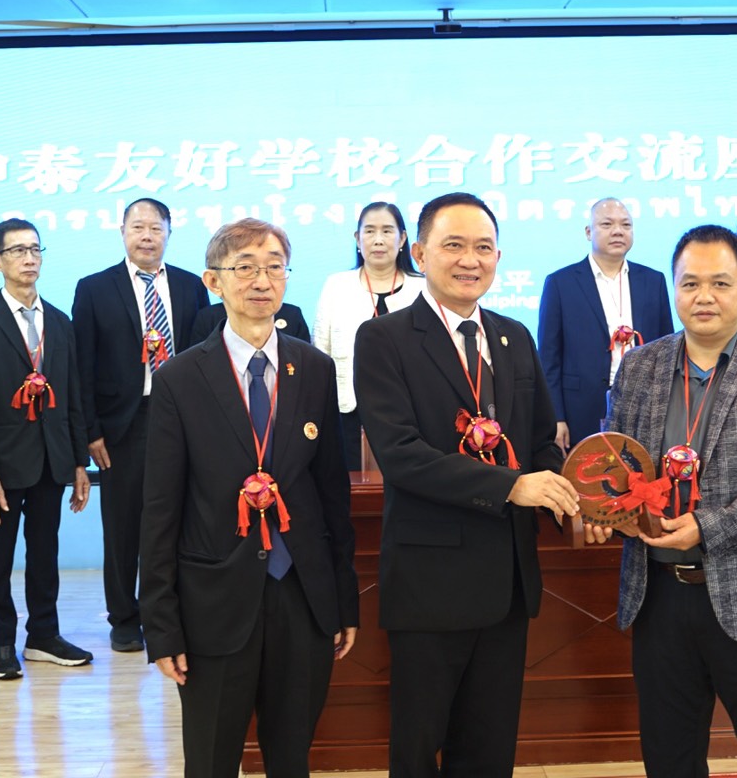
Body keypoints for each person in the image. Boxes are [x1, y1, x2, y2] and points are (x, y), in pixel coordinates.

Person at [353, 191, 577, 778]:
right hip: (431, 582)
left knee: (489, 750)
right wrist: (511, 487)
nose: (470, 260)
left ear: (498, 256)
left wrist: (565, 496)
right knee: (419, 747)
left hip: (507, 581)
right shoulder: (383, 338)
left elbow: (542, 443)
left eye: (483, 247)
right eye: (453, 245)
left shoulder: (514, 336)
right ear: (420, 253)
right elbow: (401, 456)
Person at [588, 224, 737, 778]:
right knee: (669, 759)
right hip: (657, 596)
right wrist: (604, 511)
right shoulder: (640, 367)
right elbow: (616, 464)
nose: (704, 297)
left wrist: (707, 527)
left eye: (720, 282)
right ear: (673, 289)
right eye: (690, 283)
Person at [140, 218, 358, 778]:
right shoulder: (180, 378)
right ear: (214, 281)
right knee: (212, 760)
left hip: (301, 594)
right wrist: (161, 625)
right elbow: (160, 509)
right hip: (213, 601)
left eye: (274, 266)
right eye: (245, 267)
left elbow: (332, 496)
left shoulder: (314, 368)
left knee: (292, 757)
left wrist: (343, 601)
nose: (262, 280)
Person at [72, 198, 208, 654]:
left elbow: (203, 355)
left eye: (156, 227)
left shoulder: (191, 286)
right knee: (123, 525)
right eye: (138, 227)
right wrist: (91, 431)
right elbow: (82, 365)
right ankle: (124, 618)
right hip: (121, 425)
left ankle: (166, 613)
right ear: (122, 232)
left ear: (169, 232)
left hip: (182, 418)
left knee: (177, 520)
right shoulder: (94, 288)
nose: (147, 236)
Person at [0, 218, 94, 680]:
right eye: (17, 251)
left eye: (35, 249)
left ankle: (43, 636)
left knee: (44, 554)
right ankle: (2, 642)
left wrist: (79, 462)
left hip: (52, 459)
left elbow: (73, 396)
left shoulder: (59, 322)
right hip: (1, 465)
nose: (28, 258)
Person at [539, 197, 676, 453]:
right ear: (588, 232)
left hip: (643, 404)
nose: (618, 231)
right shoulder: (561, 283)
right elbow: (549, 358)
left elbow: (668, 349)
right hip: (581, 407)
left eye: (626, 225)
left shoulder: (653, 280)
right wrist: (556, 417)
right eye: (607, 224)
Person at [311, 201, 425, 470]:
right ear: (357, 239)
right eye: (370, 231)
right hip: (348, 409)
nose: (378, 240)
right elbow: (320, 352)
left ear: (402, 239)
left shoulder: (423, 288)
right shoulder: (337, 285)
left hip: (413, 410)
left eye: (387, 231)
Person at [189, 299, 310, 348]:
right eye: (245, 269)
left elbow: (305, 363)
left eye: (274, 267)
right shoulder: (208, 316)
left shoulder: (292, 314)